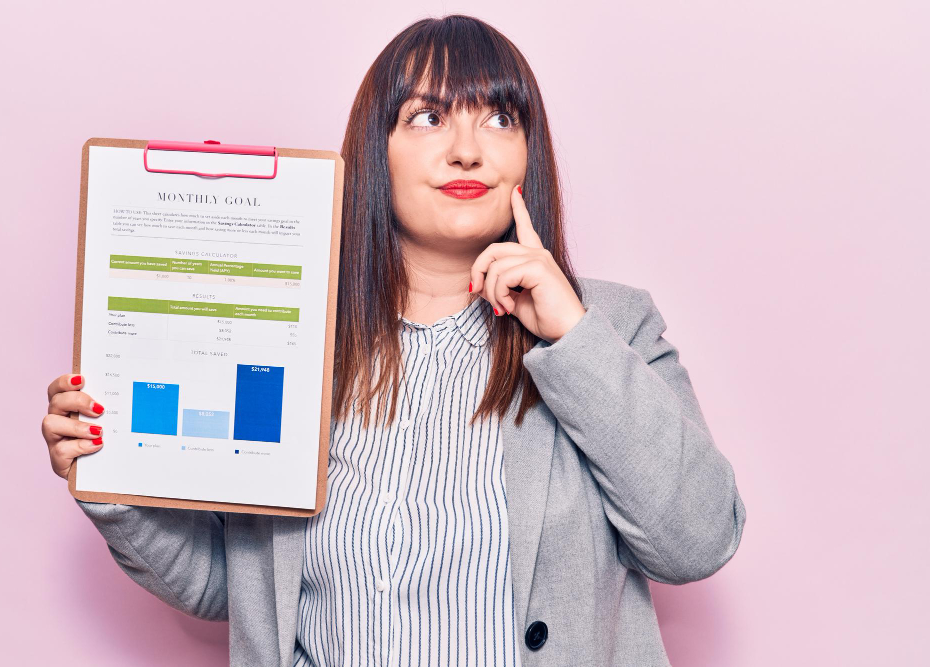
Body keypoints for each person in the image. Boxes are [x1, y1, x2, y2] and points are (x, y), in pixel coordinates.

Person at [41, 14, 746, 666]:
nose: (466, 149)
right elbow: (230, 585)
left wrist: (571, 335)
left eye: (499, 118)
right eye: (429, 117)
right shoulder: (294, 339)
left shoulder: (612, 326)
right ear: (376, 151)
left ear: (530, 152)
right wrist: (110, 478)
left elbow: (698, 538)